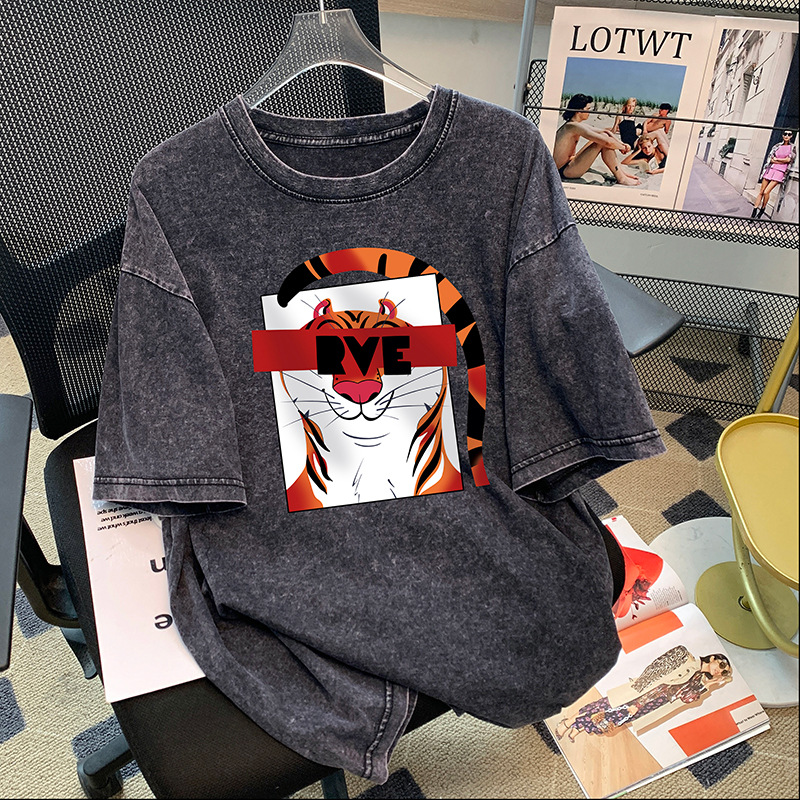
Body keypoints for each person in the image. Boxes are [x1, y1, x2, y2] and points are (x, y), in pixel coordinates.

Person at [554, 653, 732, 741]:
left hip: (654, 705)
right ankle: (567, 723)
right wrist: (639, 701)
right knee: (603, 708)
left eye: (724, 672)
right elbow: (655, 670)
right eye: (722, 664)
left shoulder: (699, 681)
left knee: (612, 720)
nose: (720, 670)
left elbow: (686, 699)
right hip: (641, 695)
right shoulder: (686, 656)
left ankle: (578, 727)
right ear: (713, 658)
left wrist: (708, 685)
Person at [553, 93, 640, 186]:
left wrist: (621, 143)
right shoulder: (573, 126)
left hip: (570, 162)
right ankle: (621, 178)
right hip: (564, 170)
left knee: (602, 136)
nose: (589, 112)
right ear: (579, 111)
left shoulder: (574, 124)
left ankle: (621, 172)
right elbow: (607, 142)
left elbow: (605, 131)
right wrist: (623, 147)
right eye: (587, 109)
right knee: (602, 142)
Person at [751, 130, 797, 219]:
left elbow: (789, 160)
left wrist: (777, 159)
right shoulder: (777, 146)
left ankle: (763, 208)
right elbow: (770, 159)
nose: (787, 136)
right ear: (782, 135)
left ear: (791, 136)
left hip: (780, 172)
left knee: (766, 192)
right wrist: (780, 160)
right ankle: (754, 212)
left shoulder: (792, 147)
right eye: (785, 134)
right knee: (761, 192)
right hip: (770, 169)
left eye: (789, 134)